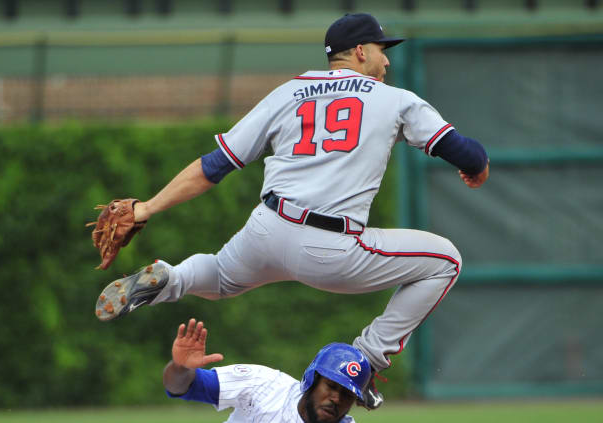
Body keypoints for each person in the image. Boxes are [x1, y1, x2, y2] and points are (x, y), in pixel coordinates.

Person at [95, 13, 489, 409]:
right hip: (332, 245)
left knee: (218, 277)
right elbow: (464, 152)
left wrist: (147, 207)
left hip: (268, 227)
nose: (386, 62)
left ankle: (171, 278)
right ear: (359, 51)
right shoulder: (396, 99)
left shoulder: (288, 92)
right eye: (382, 51)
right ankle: (365, 362)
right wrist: (476, 168)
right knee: (445, 261)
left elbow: (215, 165)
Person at [164, 318, 368, 423]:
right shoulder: (263, 386)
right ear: (312, 380)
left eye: (347, 395)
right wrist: (181, 368)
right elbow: (182, 387)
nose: (336, 399)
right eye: (331, 386)